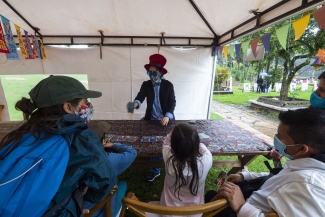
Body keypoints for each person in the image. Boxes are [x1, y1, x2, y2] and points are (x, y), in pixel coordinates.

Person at [0, 75, 117, 216]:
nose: (88, 106)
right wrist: (79, 199)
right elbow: (105, 181)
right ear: (68, 107)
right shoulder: (81, 137)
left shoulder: (21, 132)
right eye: (85, 102)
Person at [206, 107, 325, 217]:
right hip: (250, 196)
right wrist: (245, 175)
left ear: (301, 149)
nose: (276, 138)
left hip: (241, 210)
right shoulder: (305, 162)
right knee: (211, 194)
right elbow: (279, 178)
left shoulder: (308, 187)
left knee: (210, 198)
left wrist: (241, 206)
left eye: (280, 136)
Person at [127, 53, 176, 182]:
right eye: (149, 72)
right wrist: (135, 104)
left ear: (160, 73)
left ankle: (163, 167)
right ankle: (154, 166)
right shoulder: (146, 85)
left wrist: (167, 116)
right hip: (151, 119)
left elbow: (172, 102)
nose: (151, 75)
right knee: (150, 141)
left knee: (165, 143)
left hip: (165, 119)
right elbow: (140, 97)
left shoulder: (169, 85)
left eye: (154, 72)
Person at [84, 121, 137, 217]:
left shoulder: (70, 157)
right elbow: (132, 152)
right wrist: (114, 145)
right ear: (102, 141)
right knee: (122, 184)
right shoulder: (110, 160)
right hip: (105, 211)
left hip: (75, 209)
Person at [160, 123, 212, 217]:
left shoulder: (168, 158)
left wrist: (172, 134)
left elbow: (166, 144)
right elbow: (203, 148)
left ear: (174, 146)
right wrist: (191, 141)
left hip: (168, 212)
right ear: (195, 144)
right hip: (195, 213)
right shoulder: (207, 160)